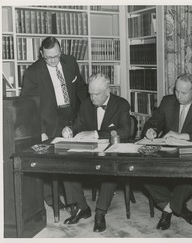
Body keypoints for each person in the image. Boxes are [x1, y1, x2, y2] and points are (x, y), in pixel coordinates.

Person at [142, 73, 192, 230]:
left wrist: (183, 136)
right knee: (144, 173)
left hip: (190, 158)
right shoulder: (167, 101)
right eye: (176, 91)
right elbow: (154, 120)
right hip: (166, 154)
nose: (178, 96)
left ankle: (168, 211)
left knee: (186, 179)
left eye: (183, 93)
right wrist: (151, 129)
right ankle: (179, 208)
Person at [21, 36, 88, 209]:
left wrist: (87, 114)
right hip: (49, 121)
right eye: (49, 57)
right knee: (50, 163)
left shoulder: (70, 62)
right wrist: (40, 130)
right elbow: (28, 105)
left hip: (71, 117)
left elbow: (81, 89)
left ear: (61, 51)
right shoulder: (32, 73)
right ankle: (53, 200)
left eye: (56, 56)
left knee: (69, 162)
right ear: (41, 54)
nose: (53, 60)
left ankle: (75, 201)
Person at [61, 73, 131, 233]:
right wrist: (69, 130)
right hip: (90, 150)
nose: (92, 98)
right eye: (90, 94)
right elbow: (78, 125)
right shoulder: (86, 104)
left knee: (109, 169)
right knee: (65, 164)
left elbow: (125, 131)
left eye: (96, 94)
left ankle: (101, 212)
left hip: (112, 150)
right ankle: (82, 207)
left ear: (108, 90)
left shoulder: (121, 104)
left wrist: (96, 133)